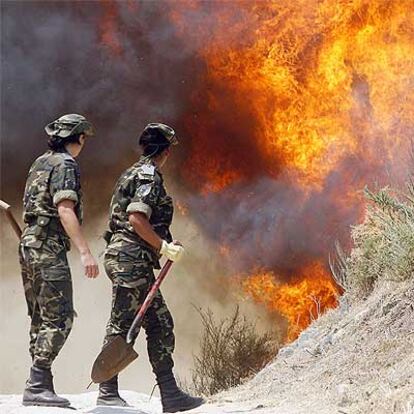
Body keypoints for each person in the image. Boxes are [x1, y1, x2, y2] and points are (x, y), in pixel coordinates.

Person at [97, 123, 204, 412]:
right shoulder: (148, 176)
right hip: (130, 260)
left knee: (159, 323)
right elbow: (136, 219)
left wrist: (163, 242)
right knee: (122, 323)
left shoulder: (129, 172)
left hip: (131, 260)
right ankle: (107, 392)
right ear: (166, 150)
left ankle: (169, 395)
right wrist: (163, 247)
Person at [19, 114, 100, 408]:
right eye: (84, 139)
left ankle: (41, 383)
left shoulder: (39, 163)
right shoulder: (66, 165)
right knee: (60, 317)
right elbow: (65, 209)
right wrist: (84, 251)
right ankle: (38, 383)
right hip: (47, 246)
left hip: (29, 245)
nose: (84, 144)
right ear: (77, 138)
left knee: (41, 317)